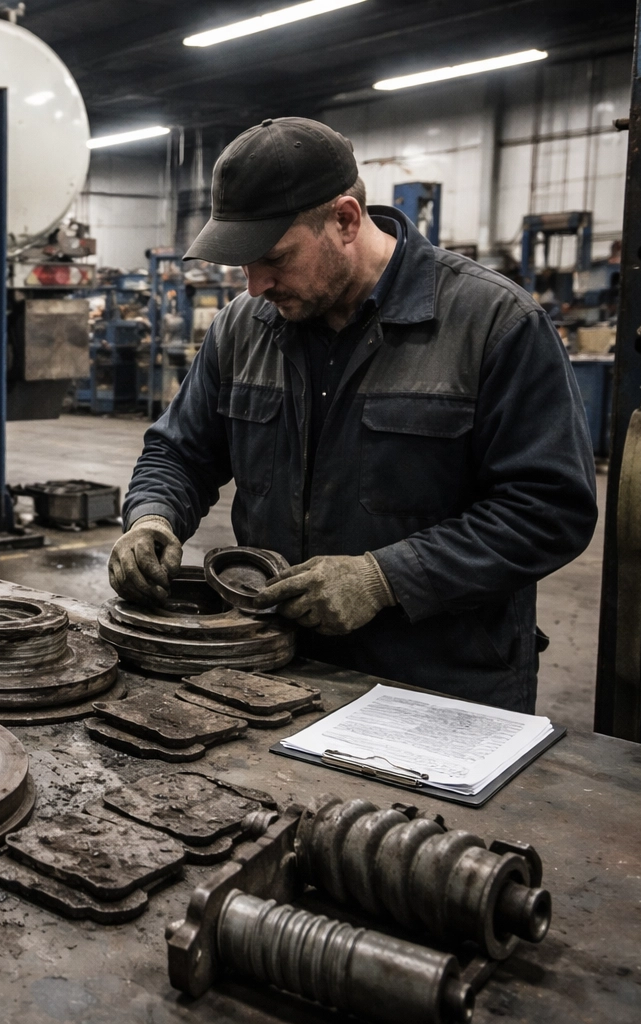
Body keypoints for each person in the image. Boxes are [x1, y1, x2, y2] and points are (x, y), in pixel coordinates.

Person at [110, 117, 597, 713]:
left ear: (344, 219)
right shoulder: (243, 327)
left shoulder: (493, 323)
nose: (256, 284)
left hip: (437, 686)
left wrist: (386, 576)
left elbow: (549, 508)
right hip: (275, 669)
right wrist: (152, 518)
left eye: (274, 257)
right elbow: (180, 451)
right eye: (242, 265)